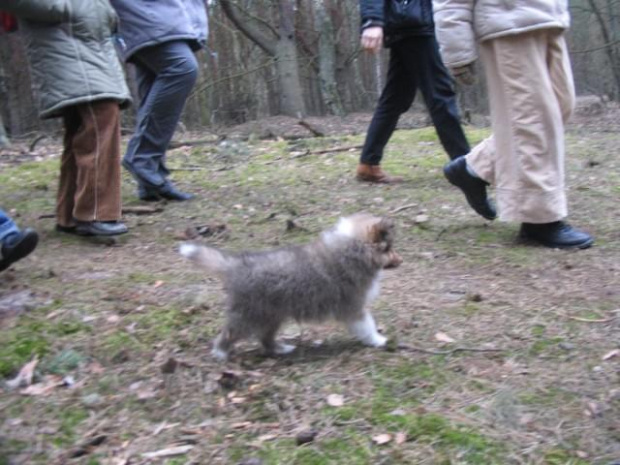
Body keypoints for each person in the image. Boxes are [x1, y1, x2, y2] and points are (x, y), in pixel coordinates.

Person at [433, 0, 593, 249]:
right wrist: (457, 50)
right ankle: (538, 219)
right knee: (532, 120)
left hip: (550, 16)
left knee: (560, 107)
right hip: (507, 22)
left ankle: (473, 169)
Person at [3, 0, 132, 237]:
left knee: (81, 133)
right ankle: (93, 213)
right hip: (72, 60)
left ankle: (70, 215)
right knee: (100, 121)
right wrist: (72, 6)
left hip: (87, 59)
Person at [356, 0, 471, 184]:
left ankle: (368, 163)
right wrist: (373, 20)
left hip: (413, 21)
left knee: (396, 98)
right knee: (439, 93)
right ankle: (467, 168)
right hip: (414, 21)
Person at [109, 0, 209, 201]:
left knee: (153, 86)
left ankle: (151, 182)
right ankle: (142, 157)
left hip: (165, 16)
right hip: (146, 13)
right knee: (182, 68)